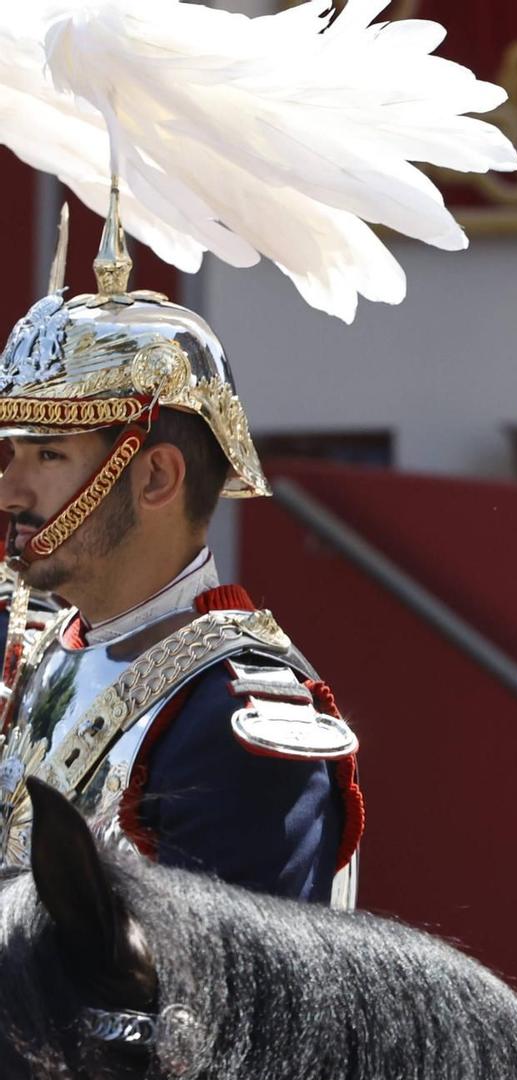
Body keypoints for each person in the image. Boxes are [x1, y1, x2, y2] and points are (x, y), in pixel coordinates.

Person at [0, 190, 361, 905]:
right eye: (8, 456)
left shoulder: (236, 718)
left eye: (45, 457)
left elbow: (233, 1007)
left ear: (157, 476)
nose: (9, 491)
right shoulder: (44, 650)